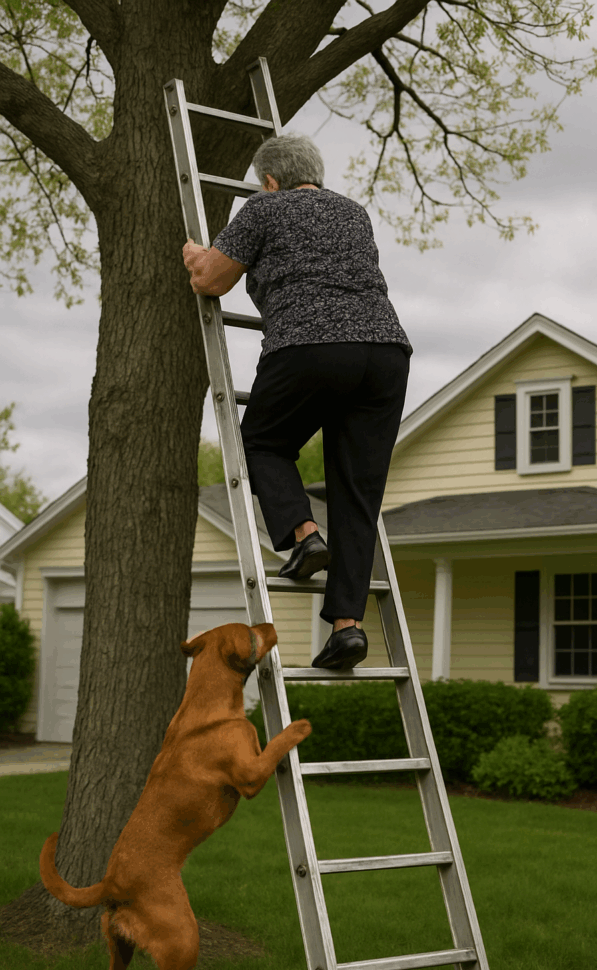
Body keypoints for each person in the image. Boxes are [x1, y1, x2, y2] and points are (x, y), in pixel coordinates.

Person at [183, 133, 412, 672]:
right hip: (385, 354)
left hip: (311, 346)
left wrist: (195, 255)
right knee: (357, 493)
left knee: (260, 442)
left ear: (269, 180)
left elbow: (211, 281)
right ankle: (347, 629)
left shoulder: (264, 208)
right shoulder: (354, 213)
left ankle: (305, 536)